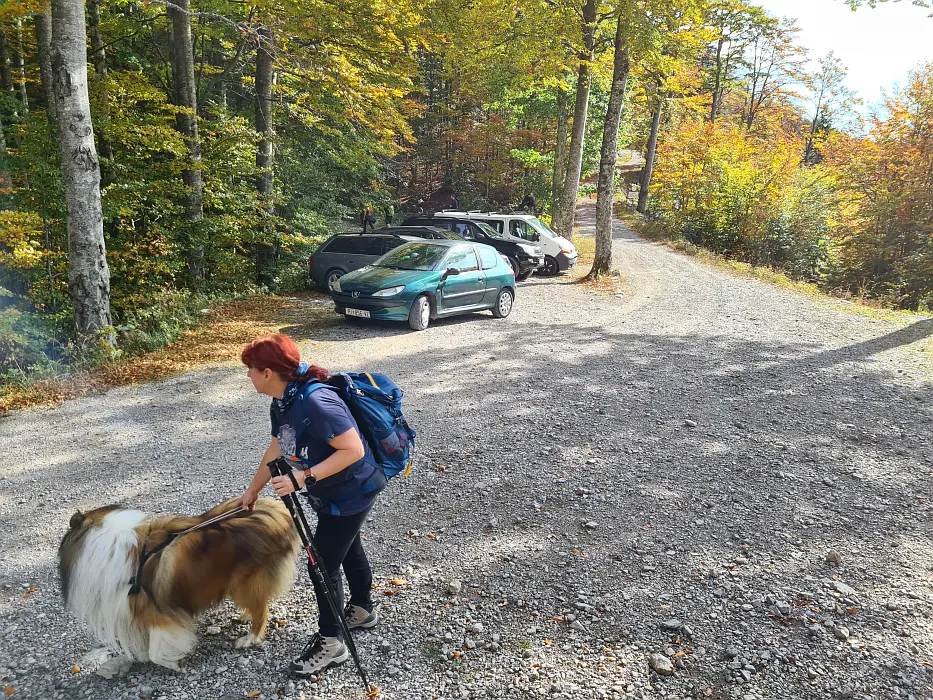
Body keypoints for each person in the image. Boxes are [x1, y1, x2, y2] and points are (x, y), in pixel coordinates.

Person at [239, 334, 386, 677]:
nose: (247, 376)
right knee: (346, 547)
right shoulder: (282, 401)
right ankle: (363, 608)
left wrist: (302, 478)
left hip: (353, 491)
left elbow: (353, 450)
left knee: (321, 563)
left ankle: (331, 643)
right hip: (331, 492)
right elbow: (277, 448)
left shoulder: (316, 402)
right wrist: (253, 491)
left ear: (267, 372)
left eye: (250, 370)